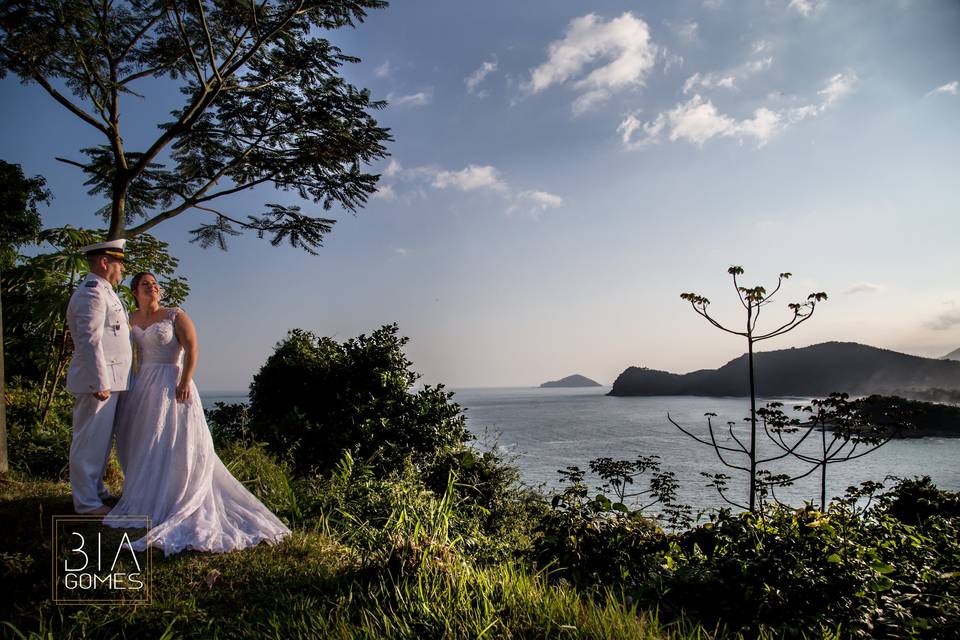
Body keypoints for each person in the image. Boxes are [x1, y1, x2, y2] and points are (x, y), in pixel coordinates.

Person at [105, 272, 290, 555]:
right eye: (146, 284)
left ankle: (177, 495)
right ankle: (148, 493)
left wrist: (184, 381)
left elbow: (192, 348)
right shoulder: (130, 318)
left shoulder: (175, 315)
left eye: (155, 284)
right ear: (135, 292)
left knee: (175, 440)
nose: (153, 287)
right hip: (143, 386)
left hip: (172, 381)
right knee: (145, 440)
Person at [65, 239, 132, 515]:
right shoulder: (92, 292)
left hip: (111, 380)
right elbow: (89, 339)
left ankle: (97, 491)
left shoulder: (106, 291)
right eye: (119, 263)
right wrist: (99, 381)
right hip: (99, 382)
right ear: (105, 263)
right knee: (89, 440)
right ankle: (86, 503)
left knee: (101, 441)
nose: (123, 269)